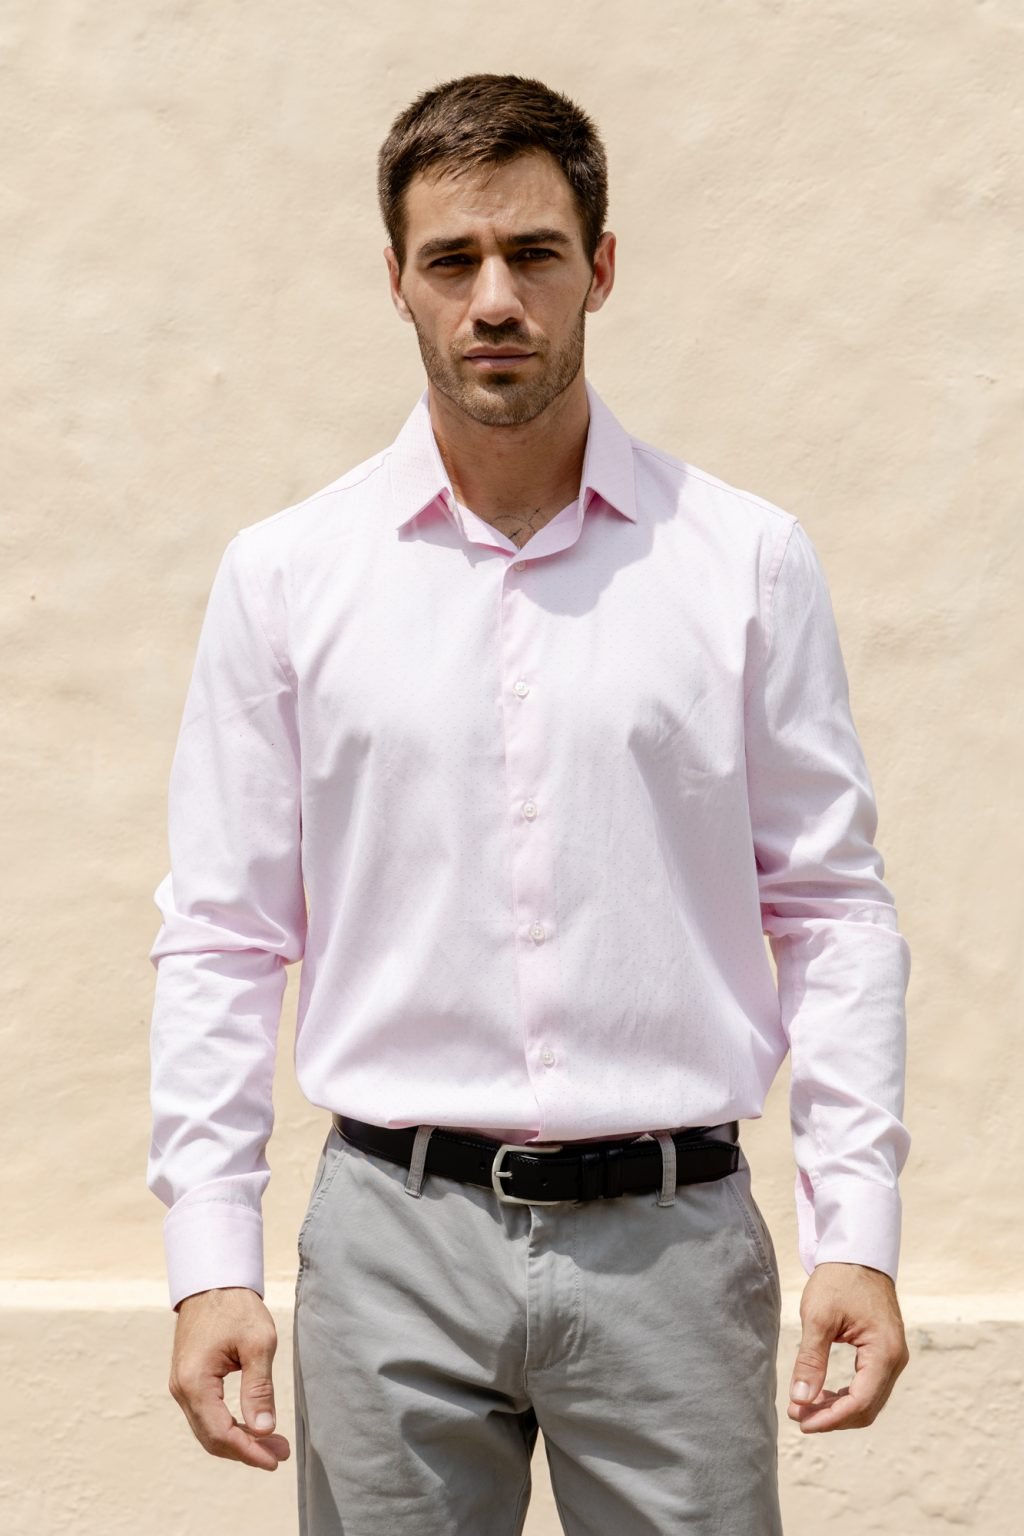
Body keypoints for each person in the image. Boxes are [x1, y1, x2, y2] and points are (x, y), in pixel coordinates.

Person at [147, 72, 911, 1535]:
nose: (494, 299)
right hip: (390, 1243)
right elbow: (225, 936)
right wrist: (211, 1260)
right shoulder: (288, 577)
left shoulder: (743, 562)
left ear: (599, 269)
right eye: (452, 260)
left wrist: (857, 1229)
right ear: (396, 282)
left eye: (534, 254)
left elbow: (830, 910)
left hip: (677, 1245)